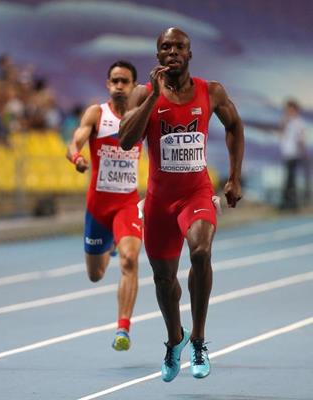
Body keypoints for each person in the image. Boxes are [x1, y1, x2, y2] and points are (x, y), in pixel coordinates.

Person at [118, 28, 244, 381]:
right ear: (157, 56)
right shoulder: (144, 94)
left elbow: (234, 125)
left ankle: (199, 340)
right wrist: (150, 100)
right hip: (159, 202)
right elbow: (126, 141)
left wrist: (234, 177)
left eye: (179, 47)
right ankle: (176, 337)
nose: (172, 52)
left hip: (196, 193)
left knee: (201, 252)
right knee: (164, 280)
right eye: (165, 47)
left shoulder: (211, 91)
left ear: (190, 54)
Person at [66, 60, 143, 351]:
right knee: (95, 274)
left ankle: (123, 328)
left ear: (134, 86)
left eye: (125, 81)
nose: (120, 86)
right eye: (115, 81)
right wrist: (77, 158)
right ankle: (108, 241)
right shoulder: (97, 114)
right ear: (108, 84)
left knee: (130, 260)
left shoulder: (139, 117)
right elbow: (74, 144)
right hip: (98, 208)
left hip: (127, 204)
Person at [278, 99, 307, 210]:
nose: (287, 111)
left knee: (291, 179)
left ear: (295, 109)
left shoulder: (298, 123)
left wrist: (302, 152)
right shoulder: (286, 121)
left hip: (294, 154)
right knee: (288, 179)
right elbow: (281, 132)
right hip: (286, 154)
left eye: (289, 109)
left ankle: (291, 203)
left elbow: (302, 139)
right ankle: (287, 202)